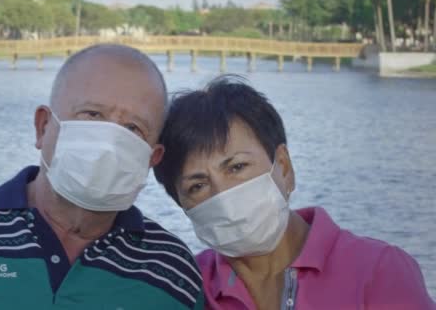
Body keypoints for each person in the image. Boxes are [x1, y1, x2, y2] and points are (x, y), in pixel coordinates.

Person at [0, 44, 204, 309]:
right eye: (92, 115)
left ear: (151, 158)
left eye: (133, 128)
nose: (109, 143)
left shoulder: (172, 271)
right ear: (44, 126)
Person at [153, 75, 435, 310]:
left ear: (284, 168)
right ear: (182, 204)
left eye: (237, 167)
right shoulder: (185, 286)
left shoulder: (378, 271)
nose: (223, 196)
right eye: (198, 186)